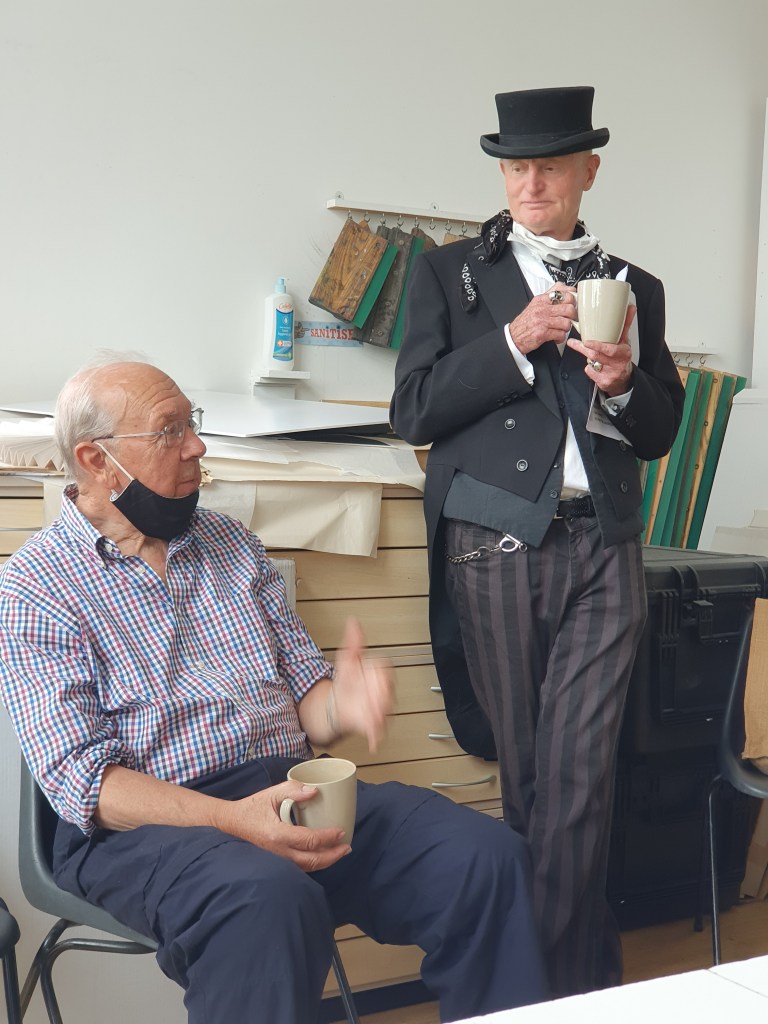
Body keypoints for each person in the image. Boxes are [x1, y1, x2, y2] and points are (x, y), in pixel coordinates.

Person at [0, 358, 549, 1023]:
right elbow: (85, 786)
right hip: (141, 827)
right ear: (95, 459)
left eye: (191, 424)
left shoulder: (233, 545)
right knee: (265, 897)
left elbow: (308, 710)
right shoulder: (36, 587)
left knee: (485, 859)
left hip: (287, 792)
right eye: (170, 431)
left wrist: (343, 703)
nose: (197, 446)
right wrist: (235, 821)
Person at [390, 86, 685, 998]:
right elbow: (413, 411)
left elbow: (662, 427)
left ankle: (530, 996)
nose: (528, 183)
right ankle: (574, 989)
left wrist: (626, 380)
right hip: (496, 543)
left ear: (587, 171)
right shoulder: (449, 273)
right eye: (514, 166)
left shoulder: (635, 286)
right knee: (534, 784)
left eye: (548, 166)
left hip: (607, 545)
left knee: (582, 778)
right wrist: (515, 341)